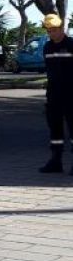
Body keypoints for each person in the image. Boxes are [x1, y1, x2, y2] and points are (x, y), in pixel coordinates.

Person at [39, 13, 73, 173]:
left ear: (61, 28)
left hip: (71, 94)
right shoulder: (47, 47)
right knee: (55, 129)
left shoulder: (71, 45)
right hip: (53, 94)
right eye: (49, 30)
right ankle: (56, 161)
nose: (51, 33)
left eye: (54, 29)